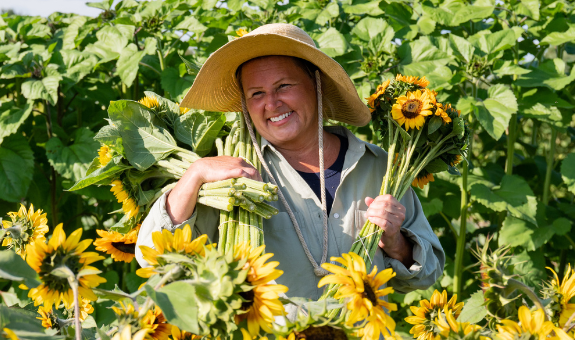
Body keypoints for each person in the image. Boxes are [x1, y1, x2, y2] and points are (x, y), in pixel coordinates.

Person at [134, 23, 444, 300]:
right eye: (256, 93)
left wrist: (396, 243)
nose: (271, 103)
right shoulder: (230, 175)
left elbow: (425, 275)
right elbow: (154, 257)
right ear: (244, 105)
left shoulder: (380, 168)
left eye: (284, 86)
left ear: (316, 85)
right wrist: (194, 174)